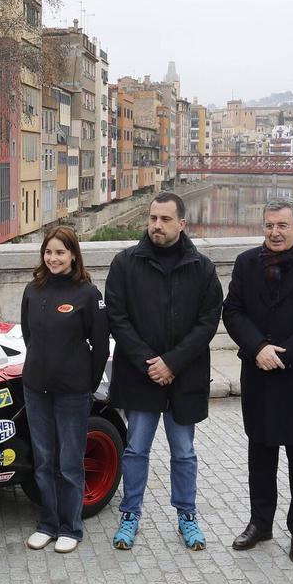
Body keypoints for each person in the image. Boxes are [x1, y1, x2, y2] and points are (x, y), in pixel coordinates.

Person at [104, 192, 223, 551]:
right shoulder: (125, 263)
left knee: (183, 452)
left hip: (183, 376)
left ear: (182, 224)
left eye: (165, 219)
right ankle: (130, 514)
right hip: (141, 375)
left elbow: (207, 322)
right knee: (136, 450)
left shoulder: (202, 268)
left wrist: (172, 362)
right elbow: (117, 318)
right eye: (153, 218)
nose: (157, 225)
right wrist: (149, 363)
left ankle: (187, 515)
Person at [222, 197, 293, 564]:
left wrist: (282, 353)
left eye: (282, 226)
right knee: (260, 452)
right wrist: (258, 347)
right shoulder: (245, 263)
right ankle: (260, 523)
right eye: (269, 225)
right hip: (258, 371)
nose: (275, 232)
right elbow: (233, 311)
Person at [20, 226, 109, 554]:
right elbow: (28, 336)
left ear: (73, 255)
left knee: (69, 462)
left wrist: (87, 383)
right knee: (44, 460)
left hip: (73, 392)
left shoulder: (88, 294)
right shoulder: (33, 290)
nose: (53, 258)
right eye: (48, 252)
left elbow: (100, 346)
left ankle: (71, 527)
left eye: (60, 252)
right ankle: (48, 523)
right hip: (36, 389)